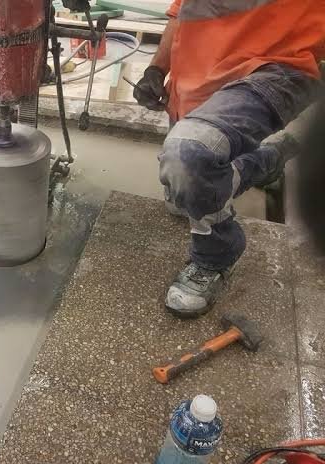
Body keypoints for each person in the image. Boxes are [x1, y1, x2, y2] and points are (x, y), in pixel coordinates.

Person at [133, 0, 325, 318]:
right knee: (184, 196)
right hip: (196, 80)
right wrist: (156, 69)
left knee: (188, 155)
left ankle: (217, 255)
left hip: (273, 70)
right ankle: (265, 161)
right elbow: (182, 11)